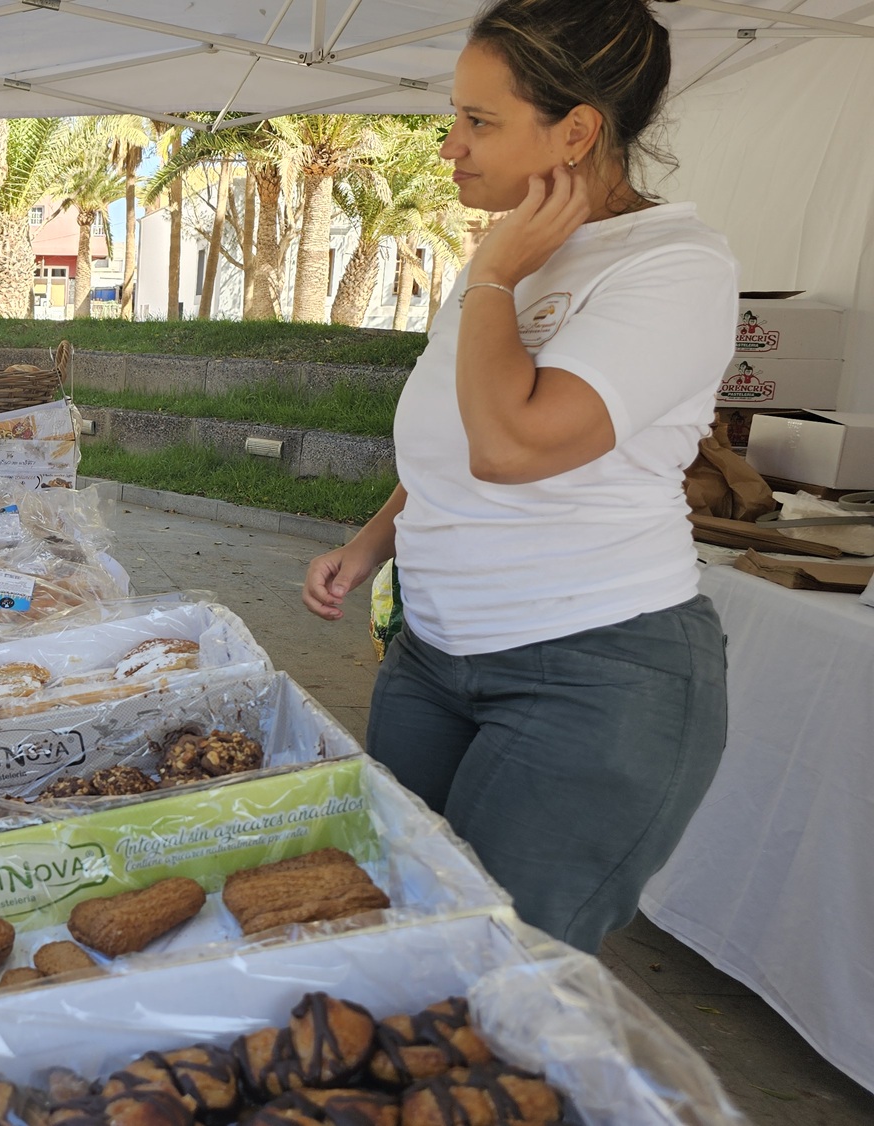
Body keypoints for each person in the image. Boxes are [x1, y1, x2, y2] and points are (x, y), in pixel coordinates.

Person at [300, 0, 733, 954]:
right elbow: (454, 443)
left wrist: (495, 275)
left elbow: (512, 446)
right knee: (394, 920)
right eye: (454, 116)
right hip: (433, 655)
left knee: (495, 971)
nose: (450, 146)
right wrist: (373, 544)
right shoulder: (514, 254)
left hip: (589, 671)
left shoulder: (675, 266)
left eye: (479, 121)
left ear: (576, 129)